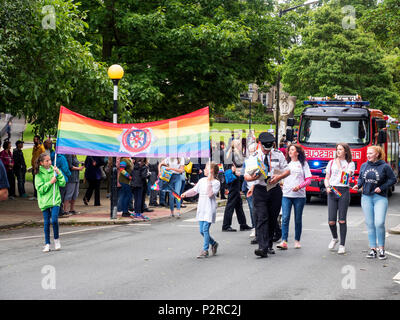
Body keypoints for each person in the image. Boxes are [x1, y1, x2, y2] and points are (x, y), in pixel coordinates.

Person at [245, 132, 290, 258]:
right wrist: (253, 177)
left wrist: (279, 177)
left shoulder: (278, 154)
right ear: (260, 144)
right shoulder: (253, 157)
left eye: (269, 149)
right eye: (265, 149)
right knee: (262, 217)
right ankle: (262, 247)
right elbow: (246, 176)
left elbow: (287, 170)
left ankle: (268, 244)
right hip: (260, 189)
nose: (266, 151)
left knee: (272, 218)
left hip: (274, 189)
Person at [353, 146, 396, 260]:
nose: (368, 155)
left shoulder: (385, 166)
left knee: (379, 223)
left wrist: (382, 187)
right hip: (366, 197)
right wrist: (358, 185)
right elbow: (361, 179)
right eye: (367, 153)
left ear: (377, 154)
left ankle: (381, 248)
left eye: (370, 153)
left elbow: (393, 179)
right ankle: (373, 249)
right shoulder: (364, 165)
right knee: (370, 224)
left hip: (380, 198)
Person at [181, 162, 221, 258]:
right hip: (202, 207)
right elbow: (195, 190)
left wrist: (209, 182)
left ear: (211, 171)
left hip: (209, 208)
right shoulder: (202, 180)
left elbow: (211, 194)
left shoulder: (216, 183)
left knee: (205, 229)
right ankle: (214, 243)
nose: (204, 170)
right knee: (201, 231)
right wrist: (185, 194)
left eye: (206, 168)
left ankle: (205, 250)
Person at [277, 144, 312, 250]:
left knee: (297, 219)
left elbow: (308, 180)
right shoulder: (286, 163)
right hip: (287, 194)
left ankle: (297, 240)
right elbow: (279, 175)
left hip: (299, 196)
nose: (290, 151)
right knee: (285, 218)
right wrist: (280, 183)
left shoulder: (303, 164)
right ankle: (284, 241)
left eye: (292, 150)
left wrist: (299, 186)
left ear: (297, 152)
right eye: (289, 150)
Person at [324, 143, 355, 254]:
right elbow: (327, 178)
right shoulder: (331, 162)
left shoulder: (350, 164)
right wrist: (327, 186)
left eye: (340, 149)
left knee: (341, 219)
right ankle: (334, 237)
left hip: (343, 191)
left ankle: (342, 244)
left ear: (345, 151)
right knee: (331, 221)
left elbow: (345, 179)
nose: (338, 151)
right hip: (332, 191)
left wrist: (339, 164)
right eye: (337, 149)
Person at [34, 153, 66, 252]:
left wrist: (59, 174)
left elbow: (63, 183)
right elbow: (40, 189)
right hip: (44, 201)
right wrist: (50, 182)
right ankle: (47, 243)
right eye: (47, 161)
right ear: (41, 163)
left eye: (50, 160)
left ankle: (56, 240)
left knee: (55, 220)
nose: (49, 162)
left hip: (55, 199)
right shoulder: (38, 174)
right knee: (47, 222)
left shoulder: (54, 170)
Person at [222, 138, 252, 232]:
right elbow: (229, 167)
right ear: (235, 145)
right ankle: (226, 225)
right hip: (233, 181)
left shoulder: (234, 153)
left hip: (235, 180)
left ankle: (242, 223)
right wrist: (235, 171)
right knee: (231, 203)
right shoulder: (233, 154)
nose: (240, 146)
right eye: (239, 144)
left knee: (238, 203)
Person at [31, 135, 45, 200]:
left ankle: (38, 195)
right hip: (34, 166)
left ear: (38, 140)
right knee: (34, 181)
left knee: (38, 181)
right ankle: (35, 194)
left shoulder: (41, 148)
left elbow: (43, 157)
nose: (34, 141)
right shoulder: (34, 147)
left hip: (38, 167)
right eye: (34, 139)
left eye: (36, 139)